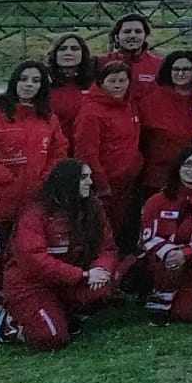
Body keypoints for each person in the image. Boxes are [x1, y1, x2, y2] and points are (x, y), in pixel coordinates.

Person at [0, 59, 68, 339]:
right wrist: (9, 178)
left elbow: (58, 156)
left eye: (36, 80)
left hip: (33, 205)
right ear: (14, 82)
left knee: (23, 258)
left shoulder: (48, 119)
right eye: (24, 79)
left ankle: (15, 304)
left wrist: (43, 183)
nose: (29, 85)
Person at [0, 160, 120, 351]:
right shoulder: (35, 213)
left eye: (89, 177)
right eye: (83, 178)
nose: (89, 182)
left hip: (69, 280)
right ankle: (10, 326)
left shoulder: (93, 208)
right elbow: (34, 261)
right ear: (67, 182)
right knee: (52, 338)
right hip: (33, 286)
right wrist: (83, 275)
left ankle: (63, 312)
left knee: (106, 284)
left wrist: (101, 269)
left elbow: (107, 248)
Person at [138, 148, 192, 325]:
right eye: (188, 164)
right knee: (166, 263)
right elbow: (148, 237)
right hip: (163, 264)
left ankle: (180, 295)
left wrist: (186, 254)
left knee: (185, 314)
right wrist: (171, 253)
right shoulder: (156, 200)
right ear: (178, 167)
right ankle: (160, 294)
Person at [71, 62, 143, 250]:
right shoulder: (92, 112)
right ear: (101, 83)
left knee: (123, 232)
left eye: (122, 80)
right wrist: (101, 184)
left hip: (127, 183)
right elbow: (86, 152)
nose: (118, 85)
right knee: (103, 235)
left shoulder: (129, 105)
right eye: (112, 81)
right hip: (105, 186)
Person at [139, 49, 192, 205]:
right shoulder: (152, 100)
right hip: (159, 177)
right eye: (176, 69)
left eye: (186, 69)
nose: (180, 73)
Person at [44, 34, 96, 140]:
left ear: (83, 53)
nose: (68, 53)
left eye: (74, 49)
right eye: (62, 49)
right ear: (54, 54)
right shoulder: (43, 83)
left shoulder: (94, 84)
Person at [104, 13, 162, 90]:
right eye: (127, 32)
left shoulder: (160, 66)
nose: (133, 36)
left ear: (145, 36)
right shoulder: (102, 63)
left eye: (138, 31)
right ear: (117, 37)